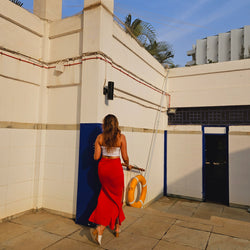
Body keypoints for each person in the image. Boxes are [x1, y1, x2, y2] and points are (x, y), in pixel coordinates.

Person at [89, 114, 132, 245]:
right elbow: (124, 157)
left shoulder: (99, 137)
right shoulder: (121, 137)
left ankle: (116, 227)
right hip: (115, 169)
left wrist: (95, 147)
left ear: (105, 124)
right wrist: (128, 164)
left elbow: (96, 157)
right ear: (116, 124)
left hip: (103, 168)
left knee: (106, 196)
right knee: (117, 198)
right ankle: (101, 228)